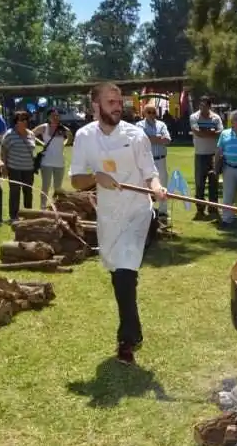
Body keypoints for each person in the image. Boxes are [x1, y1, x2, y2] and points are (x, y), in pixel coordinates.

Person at [69, 82, 167, 364]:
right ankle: (132, 332)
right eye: (110, 102)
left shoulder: (136, 136)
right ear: (95, 106)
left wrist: (157, 187)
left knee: (125, 271)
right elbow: (76, 180)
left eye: (119, 101)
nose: (117, 106)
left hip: (138, 212)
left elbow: (150, 173)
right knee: (117, 271)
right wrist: (96, 178)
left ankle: (128, 338)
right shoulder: (84, 136)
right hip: (109, 217)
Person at [189, 95, 223, 219]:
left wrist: (204, 132)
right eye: (200, 106)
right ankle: (200, 209)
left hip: (214, 155)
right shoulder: (194, 117)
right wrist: (211, 132)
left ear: (209, 106)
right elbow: (197, 132)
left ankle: (213, 209)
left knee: (213, 183)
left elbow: (220, 133)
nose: (202, 108)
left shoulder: (216, 117)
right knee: (200, 184)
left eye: (205, 106)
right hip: (200, 154)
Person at [0, 111, 37, 222]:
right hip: (14, 168)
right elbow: (4, 151)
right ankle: (14, 216)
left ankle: (28, 214)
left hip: (28, 169)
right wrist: (4, 167)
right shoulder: (9, 134)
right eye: (22, 120)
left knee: (28, 192)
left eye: (26, 119)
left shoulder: (31, 134)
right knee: (15, 192)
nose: (25, 122)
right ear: (16, 121)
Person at [136, 105, 172, 218]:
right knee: (144, 185)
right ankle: (147, 211)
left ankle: (163, 211)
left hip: (160, 159)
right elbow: (141, 140)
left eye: (153, 112)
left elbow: (167, 140)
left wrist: (150, 138)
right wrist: (157, 138)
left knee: (162, 185)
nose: (151, 114)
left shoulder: (161, 125)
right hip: (146, 160)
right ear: (144, 113)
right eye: (149, 112)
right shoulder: (139, 125)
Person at [32, 109, 73, 209]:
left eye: (57, 116)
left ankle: (56, 207)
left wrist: (64, 144)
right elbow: (31, 134)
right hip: (46, 162)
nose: (56, 118)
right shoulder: (44, 127)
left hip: (60, 163)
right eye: (53, 116)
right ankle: (42, 207)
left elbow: (70, 139)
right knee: (45, 186)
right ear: (48, 117)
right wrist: (41, 143)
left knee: (57, 188)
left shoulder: (63, 129)